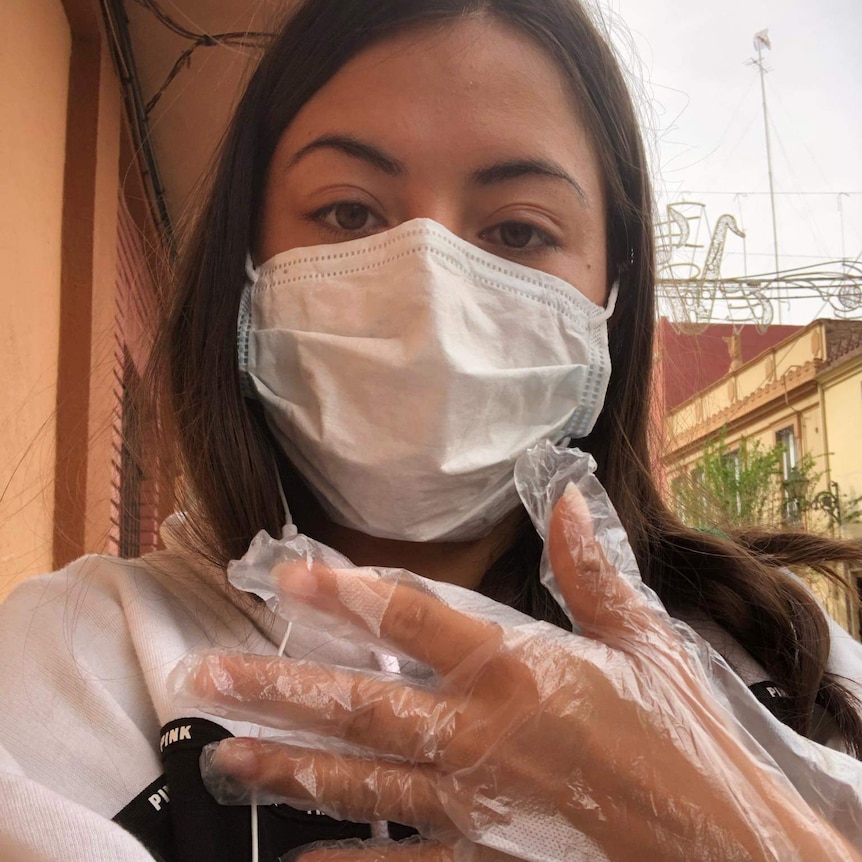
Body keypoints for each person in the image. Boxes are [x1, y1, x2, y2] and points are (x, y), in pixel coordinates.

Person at [1, 0, 861, 860]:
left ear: (613, 299)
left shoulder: (791, 665)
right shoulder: (74, 665)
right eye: (349, 213)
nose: (429, 299)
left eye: (518, 231)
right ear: (247, 267)